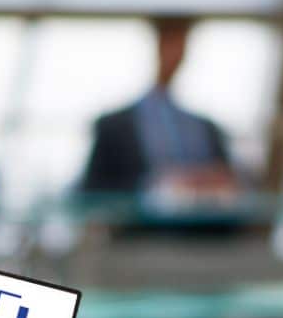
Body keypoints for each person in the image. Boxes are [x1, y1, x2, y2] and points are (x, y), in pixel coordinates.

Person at [80, 17, 237, 203]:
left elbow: (231, 182)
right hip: (138, 229)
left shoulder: (207, 128)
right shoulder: (113, 126)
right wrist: (156, 186)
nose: (175, 54)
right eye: (170, 43)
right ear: (156, 45)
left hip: (202, 229)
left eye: (181, 44)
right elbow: (92, 189)